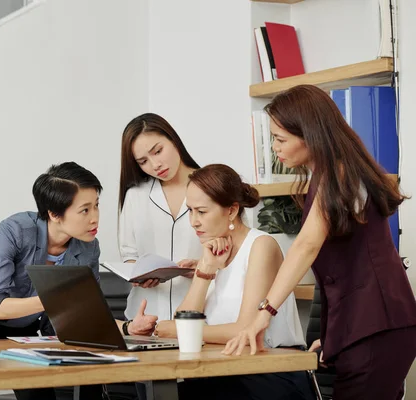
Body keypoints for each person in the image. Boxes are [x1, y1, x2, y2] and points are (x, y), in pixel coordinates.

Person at [224, 85, 416, 400]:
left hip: (379, 327)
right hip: (369, 329)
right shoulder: (328, 175)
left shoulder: (339, 174)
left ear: (310, 134)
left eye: (280, 139)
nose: (274, 147)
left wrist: (264, 313)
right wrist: (335, 337)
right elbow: (340, 273)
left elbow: (306, 247)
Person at [0, 162, 157, 400]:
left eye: (97, 206)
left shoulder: (89, 247)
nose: (95, 218)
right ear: (54, 214)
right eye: (84, 210)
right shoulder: (15, 230)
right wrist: (56, 299)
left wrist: (128, 327)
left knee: (40, 394)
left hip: (24, 330)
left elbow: (88, 313)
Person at [153, 164, 314, 399]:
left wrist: (181, 332)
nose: (193, 221)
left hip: (271, 373)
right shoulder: (214, 252)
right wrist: (205, 270)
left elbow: (245, 331)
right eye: (190, 211)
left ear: (231, 211)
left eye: (202, 211)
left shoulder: (261, 246)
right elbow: (185, 320)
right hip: (225, 371)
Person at [118, 113, 203, 322]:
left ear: (173, 140)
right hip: (146, 317)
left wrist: (202, 267)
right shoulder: (135, 195)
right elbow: (129, 254)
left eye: (158, 151)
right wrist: (139, 275)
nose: (155, 165)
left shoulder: (214, 186)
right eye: (143, 161)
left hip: (203, 316)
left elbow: (239, 251)